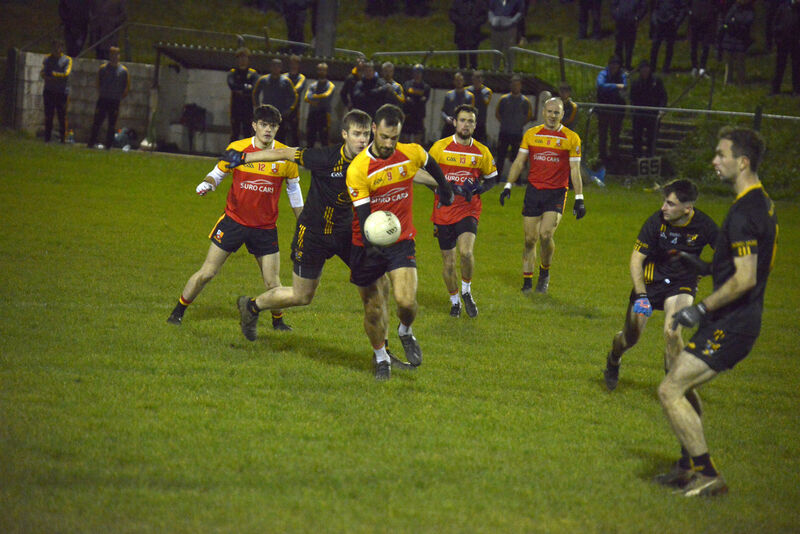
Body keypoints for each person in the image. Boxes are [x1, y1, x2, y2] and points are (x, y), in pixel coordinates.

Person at [656, 127, 777, 497]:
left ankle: (707, 474)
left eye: (721, 154)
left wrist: (701, 308)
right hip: (735, 317)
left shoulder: (744, 212)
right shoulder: (761, 203)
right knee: (679, 375)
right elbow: (748, 263)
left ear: (742, 162)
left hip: (734, 322)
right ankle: (686, 466)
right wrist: (707, 267)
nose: (714, 160)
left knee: (669, 389)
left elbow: (745, 279)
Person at [224, 110, 372, 341]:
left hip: (345, 233)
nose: (362, 140)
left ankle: (383, 351)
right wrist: (245, 158)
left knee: (373, 283)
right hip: (313, 233)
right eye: (356, 134)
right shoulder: (324, 158)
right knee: (302, 296)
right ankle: (252, 306)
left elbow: (407, 171)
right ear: (345, 134)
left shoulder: (373, 162)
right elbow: (285, 152)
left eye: (365, 134)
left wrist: (441, 185)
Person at [346, 104, 466, 380]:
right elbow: (365, 220)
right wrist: (373, 250)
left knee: (407, 302)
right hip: (366, 242)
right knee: (374, 309)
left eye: (394, 138)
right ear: (374, 130)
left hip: (401, 240)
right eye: (384, 137)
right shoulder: (359, 169)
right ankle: (381, 359)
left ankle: (405, 331)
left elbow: (429, 162)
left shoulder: (410, 152)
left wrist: (445, 188)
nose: (389, 144)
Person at [166, 105, 303, 330]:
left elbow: (294, 193)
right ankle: (178, 311)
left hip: (265, 228)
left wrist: (303, 221)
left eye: (272, 126)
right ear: (254, 125)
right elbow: (217, 173)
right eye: (264, 125)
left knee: (273, 281)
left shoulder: (284, 156)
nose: (268, 130)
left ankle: (278, 322)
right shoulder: (238, 149)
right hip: (234, 222)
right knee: (208, 272)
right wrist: (207, 184)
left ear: (278, 128)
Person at [602, 179, 719, 392]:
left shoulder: (704, 225)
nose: (663, 207)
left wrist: (706, 267)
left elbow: (726, 256)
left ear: (687, 208)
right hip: (650, 283)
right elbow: (636, 259)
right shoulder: (656, 222)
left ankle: (673, 385)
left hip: (682, 284)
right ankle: (613, 360)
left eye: (670, 204)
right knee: (630, 338)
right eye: (665, 202)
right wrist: (641, 296)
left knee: (673, 332)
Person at [499, 97, 584, 294]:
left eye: (557, 112)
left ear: (562, 115)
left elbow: (574, 169)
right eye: (550, 111)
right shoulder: (531, 134)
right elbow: (519, 162)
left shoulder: (571, 138)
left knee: (545, 235)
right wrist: (508, 185)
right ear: (543, 113)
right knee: (529, 239)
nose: (553, 115)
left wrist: (579, 199)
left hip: (556, 193)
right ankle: (527, 283)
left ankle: (544, 274)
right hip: (534, 191)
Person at [428, 104, 498, 317]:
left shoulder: (481, 151)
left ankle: (466, 290)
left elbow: (493, 178)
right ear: (454, 122)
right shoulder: (440, 148)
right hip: (443, 212)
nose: (466, 124)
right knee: (448, 262)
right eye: (463, 120)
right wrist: (442, 190)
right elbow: (426, 176)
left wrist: (478, 189)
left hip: (469, 209)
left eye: (470, 121)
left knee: (466, 252)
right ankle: (455, 301)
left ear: (475, 125)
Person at [87, 46, 129, 150]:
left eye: (116, 54)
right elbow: (98, 82)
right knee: (97, 121)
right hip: (103, 99)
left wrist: (119, 96)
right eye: (112, 54)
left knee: (112, 124)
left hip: (115, 101)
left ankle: (108, 145)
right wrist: (102, 92)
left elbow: (126, 87)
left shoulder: (123, 71)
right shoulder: (103, 68)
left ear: (119, 56)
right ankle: (91, 143)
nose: (114, 57)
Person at [494, 74, 532, 177]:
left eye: (517, 85)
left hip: (517, 133)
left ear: (520, 86)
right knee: (501, 157)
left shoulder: (525, 101)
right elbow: (497, 114)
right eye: (513, 85)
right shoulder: (504, 99)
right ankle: (497, 179)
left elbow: (528, 116)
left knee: (517, 158)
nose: (515, 87)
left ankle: (517, 180)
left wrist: (519, 124)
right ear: (510, 86)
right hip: (504, 132)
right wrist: (505, 123)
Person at [253, 59, 298, 143]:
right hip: (265, 116)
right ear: (270, 67)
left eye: (278, 66)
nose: (275, 68)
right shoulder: (263, 80)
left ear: (281, 68)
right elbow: (255, 93)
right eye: (273, 66)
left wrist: (289, 109)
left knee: (280, 140)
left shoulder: (286, 81)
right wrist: (257, 107)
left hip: (280, 116)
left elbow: (294, 96)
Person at [630, 59, 667, 159]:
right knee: (637, 136)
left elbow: (663, 96)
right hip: (639, 114)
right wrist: (633, 109)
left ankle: (650, 157)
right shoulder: (636, 83)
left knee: (652, 137)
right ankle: (636, 157)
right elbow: (632, 98)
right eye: (643, 69)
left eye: (646, 69)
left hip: (652, 113)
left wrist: (662, 108)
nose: (645, 72)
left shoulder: (656, 81)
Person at [595, 55, 627, 169]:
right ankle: (602, 156)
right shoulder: (603, 74)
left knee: (615, 134)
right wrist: (616, 86)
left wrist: (617, 87)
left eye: (616, 64)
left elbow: (625, 86)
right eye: (612, 64)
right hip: (604, 109)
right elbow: (600, 85)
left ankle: (614, 156)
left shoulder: (622, 75)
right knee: (603, 134)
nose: (614, 66)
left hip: (617, 110)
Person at [41, 39, 72, 144]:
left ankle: (63, 139)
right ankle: (47, 138)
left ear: (62, 48)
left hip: (61, 92)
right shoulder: (47, 59)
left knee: (62, 116)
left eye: (58, 47)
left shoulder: (67, 60)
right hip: (49, 91)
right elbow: (43, 73)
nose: (56, 49)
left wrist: (54, 75)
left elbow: (66, 74)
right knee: (48, 115)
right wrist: (49, 77)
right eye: (54, 47)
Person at [718, 0, 755, 85]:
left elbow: (746, 22)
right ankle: (727, 82)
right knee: (728, 63)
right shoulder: (734, 7)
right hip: (729, 39)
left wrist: (734, 21)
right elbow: (727, 20)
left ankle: (741, 82)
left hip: (741, 39)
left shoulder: (750, 10)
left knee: (740, 63)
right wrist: (733, 22)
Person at [227, 48, 259, 142]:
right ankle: (231, 154)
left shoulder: (253, 73)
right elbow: (232, 85)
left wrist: (241, 88)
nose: (242, 60)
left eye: (245, 57)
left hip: (248, 107)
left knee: (247, 133)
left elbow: (254, 86)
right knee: (234, 132)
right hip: (235, 107)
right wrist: (245, 87)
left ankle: (248, 155)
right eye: (240, 58)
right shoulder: (233, 72)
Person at [649, 0, 688, 74]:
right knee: (655, 46)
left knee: (669, 47)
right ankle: (652, 67)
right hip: (659, 23)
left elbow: (683, 9)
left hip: (671, 24)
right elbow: (654, 7)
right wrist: (654, 20)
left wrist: (677, 22)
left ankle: (666, 68)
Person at [769, 0, 800, 95]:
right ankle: (775, 89)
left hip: (796, 41)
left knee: (796, 66)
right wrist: (777, 33)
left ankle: (797, 89)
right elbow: (775, 22)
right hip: (782, 41)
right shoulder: (783, 7)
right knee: (780, 65)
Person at [449, 0, 489, 71]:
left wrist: (475, 23)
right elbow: (452, 14)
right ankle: (462, 71)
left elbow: (484, 15)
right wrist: (460, 22)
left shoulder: (480, 3)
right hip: (461, 32)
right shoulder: (458, 2)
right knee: (461, 54)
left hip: (474, 33)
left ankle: (473, 71)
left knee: (473, 55)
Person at [304, 62, 335, 147]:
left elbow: (326, 96)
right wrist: (318, 99)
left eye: (323, 70)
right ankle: (308, 158)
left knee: (324, 139)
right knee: (310, 139)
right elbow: (306, 98)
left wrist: (314, 98)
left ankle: (326, 159)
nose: (321, 72)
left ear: (326, 71)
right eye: (319, 70)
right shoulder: (312, 85)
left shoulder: (330, 85)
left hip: (324, 115)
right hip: (312, 114)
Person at [611, 0, 648, 71]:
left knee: (629, 46)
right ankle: (618, 64)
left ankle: (627, 65)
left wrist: (637, 17)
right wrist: (616, 15)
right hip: (620, 22)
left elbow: (644, 7)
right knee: (618, 45)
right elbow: (613, 5)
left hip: (631, 24)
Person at [488, 0, 524, 69]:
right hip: (496, 29)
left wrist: (511, 21)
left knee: (509, 51)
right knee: (496, 51)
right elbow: (490, 11)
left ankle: (509, 71)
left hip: (509, 30)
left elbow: (520, 12)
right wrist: (492, 20)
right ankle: (495, 70)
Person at [401, 64, 431, 144]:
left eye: (419, 73)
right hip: (408, 115)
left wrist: (412, 100)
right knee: (405, 138)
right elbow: (404, 98)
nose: (417, 75)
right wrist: (414, 99)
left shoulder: (426, 87)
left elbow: (423, 100)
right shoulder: (407, 84)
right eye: (416, 72)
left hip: (418, 116)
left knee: (417, 139)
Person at [440, 72, 475, 139]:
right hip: (449, 126)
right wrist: (446, 118)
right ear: (454, 81)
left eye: (460, 80)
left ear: (463, 81)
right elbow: (443, 111)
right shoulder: (449, 95)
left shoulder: (469, 96)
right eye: (457, 80)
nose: (459, 82)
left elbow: (471, 113)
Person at [688, 0, 716, 77]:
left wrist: (711, 13)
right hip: (695, 20)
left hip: (706, 21)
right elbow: (688, 4)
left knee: (705, 46)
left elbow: (715, 5)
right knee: (693, 45)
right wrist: (691, 12)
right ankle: (694, 67)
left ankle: (702, 68)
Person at [284, 55, 307, 146]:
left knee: (294, 133)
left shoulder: (301, 77)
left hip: (294, 109)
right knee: (280, 132)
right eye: (292, 63)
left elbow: (297, 89)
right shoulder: (284, 76)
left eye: (296, 63)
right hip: (282, 108)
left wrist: (286, 89)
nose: (294, 65)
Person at [466, 70, 493, 144]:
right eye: (475, 78)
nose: (477, 81)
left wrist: (479, 91)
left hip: (480, 123)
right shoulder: (467, 90)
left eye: (479, 79)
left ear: (482, 80)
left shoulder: (487, 91)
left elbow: (486, 102)